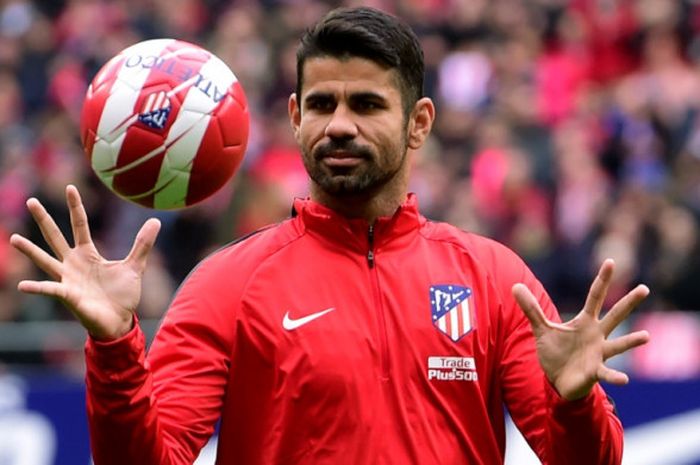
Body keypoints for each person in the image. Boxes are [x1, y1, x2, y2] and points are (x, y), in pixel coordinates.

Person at [10, 6, 650, 465]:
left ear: (419, 122)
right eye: (321, 105)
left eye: (367, 105)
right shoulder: (227, 283)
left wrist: (574, 404)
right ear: (293, 116)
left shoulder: (490, 276)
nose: (338, 125)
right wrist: (116, 347)